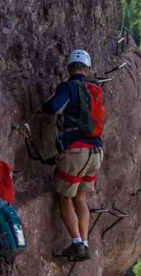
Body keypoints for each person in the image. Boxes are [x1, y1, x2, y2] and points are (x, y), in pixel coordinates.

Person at [45, 49, 105, 260]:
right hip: (96, 152)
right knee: (81, 197)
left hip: (76, 151)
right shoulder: (95, 90)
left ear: (70, 68)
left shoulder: (68, 87)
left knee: (64, 197)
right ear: (87, 69)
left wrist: (43, 104)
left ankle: (77, 242)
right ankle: (86, 243)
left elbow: (54, 107)